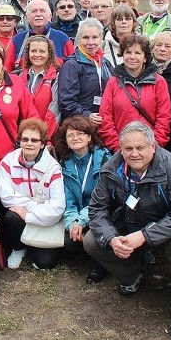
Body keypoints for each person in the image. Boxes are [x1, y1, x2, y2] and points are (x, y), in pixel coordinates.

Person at [83, 122, 171, 340]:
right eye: (128, 149)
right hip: (129, 222)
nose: (134, 153)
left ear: (152, 147)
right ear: (121, 148)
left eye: (140, 148)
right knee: (92, 240)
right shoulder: (110, 169)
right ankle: (133, 272)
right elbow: (97, 209)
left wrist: (146, 235)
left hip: (165, 225)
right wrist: (112, 238)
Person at [0, 119, 65, 270]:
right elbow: (7, 198)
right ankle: (19, 247)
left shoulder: (53, 167)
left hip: (45, 220)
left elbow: (58, 207)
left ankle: (35, 247)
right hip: (28, 214)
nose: (29, 143)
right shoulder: (8, 162)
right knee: (11, 216)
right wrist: (35, 207)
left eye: (34, 140)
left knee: (44, 263)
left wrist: (28, 214)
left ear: (42, 144)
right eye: (25, 139)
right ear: (19, 141)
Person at [52, 116, 110, 284]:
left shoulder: (104, 160)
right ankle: (87, 252)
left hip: (101, 211)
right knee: (71, 241)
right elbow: (67, 200)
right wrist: (72, 223)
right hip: (77, 215)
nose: (75, 138)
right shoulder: (65, 163)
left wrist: (81, 221)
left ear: (90, 137)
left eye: (80, 133)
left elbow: (101, 199)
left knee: (96, 229)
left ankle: (99, 264)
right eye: (70, 135)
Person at [98, 34, 171, 152]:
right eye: (128, 52)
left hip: (150, 150)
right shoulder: (113, 82)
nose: (132, 57)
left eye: (137, 53)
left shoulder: (159, 82)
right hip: (120, 149)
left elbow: (164, 117)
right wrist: (119, 147)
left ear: (145, 57)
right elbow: (105, 118)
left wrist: (152, 147)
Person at [57, 18, 113, 125]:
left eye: (95, 37)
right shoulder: (72, 65)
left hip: (103, 121)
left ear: (101, 39)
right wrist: (87, 116)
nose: (90, 42)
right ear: (78, 40)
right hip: (80, 125)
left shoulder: (105, 63)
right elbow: (67, 103)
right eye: (86, 38)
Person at [17, 35, 60, 138]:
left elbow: (54, 112)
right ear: (28, 53)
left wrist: (44, 137)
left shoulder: (57, 76)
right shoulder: (19, 77)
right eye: (33, 51)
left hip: (47, 135)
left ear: (49, 54)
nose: (37, 55)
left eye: (42, 51)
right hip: (24, 136)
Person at [11, 0, 75, 68]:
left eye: (42, 11)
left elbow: (73, 68)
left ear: (50, 16)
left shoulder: (62, 38)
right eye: (34, 11)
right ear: (27, 17)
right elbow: (7, 71)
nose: (38, 14)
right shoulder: (17, 40)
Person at [103, 4, 137, 68]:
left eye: (128, 19)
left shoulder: (142, 44)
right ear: (113, 22)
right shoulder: (103, 45)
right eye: (119, 19)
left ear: (133, 22)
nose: (124, 22)